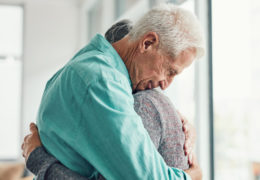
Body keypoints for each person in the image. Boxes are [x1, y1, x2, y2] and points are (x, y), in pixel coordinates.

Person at [22, 4, 204, 180]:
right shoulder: (101, 81)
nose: (165, 85)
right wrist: (191, 176)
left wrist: (177, 124)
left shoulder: (92, 67)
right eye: (169, 71)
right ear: (148, 43)